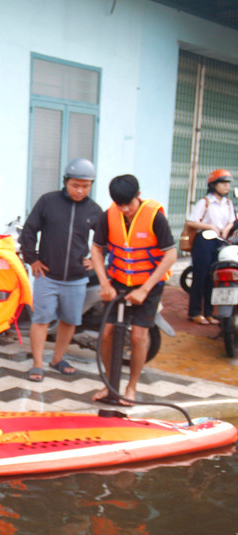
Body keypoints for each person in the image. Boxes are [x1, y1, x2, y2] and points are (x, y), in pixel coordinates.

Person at [90, 174, 176, 405]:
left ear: (138, 195)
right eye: (120, 205)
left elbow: (171, 255)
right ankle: (109, 383)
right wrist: (105, 284)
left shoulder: (155, 217)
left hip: (149, 283)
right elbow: (96, 250)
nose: (125, 209)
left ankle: (131, 387)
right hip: (118, 281)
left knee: (138, 336)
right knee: (106, 333)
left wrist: (145, 290)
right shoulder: (109, 216)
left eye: (129, 203)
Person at [20, 158, 104, 381]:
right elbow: (29, 231)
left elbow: (107, 239)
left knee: (70, 320)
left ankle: (58, 358)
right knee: (41, 319)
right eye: (75, 185)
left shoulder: (94, 210)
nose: (80, 190)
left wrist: (97, 261)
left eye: (86, 186)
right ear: (65, 182)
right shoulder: (48, 202)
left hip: (77, 278)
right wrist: (33, 259)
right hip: (47, 275)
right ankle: (38, 363)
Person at [185, 169, 235, 325]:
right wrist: (209, 226)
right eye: (223, 183)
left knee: (213, 278)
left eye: (228, 183)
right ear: (213, 185)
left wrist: (226, 229)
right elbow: (191, 221)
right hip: (204, 241)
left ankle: (209, 313)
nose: (226, 186)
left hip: (220, 241)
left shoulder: (228, 203)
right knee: (200, 276)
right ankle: (194, 312)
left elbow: (231, 220)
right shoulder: (205, 202)